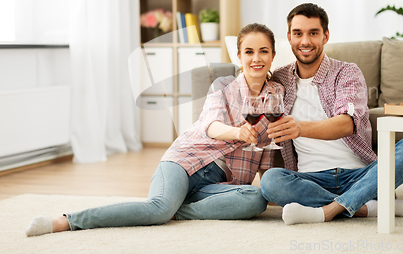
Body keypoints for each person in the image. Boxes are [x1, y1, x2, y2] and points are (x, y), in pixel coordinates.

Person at [25, 23, 284, 236]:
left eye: (263, 51)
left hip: (222, 182)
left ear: (273, 55)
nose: (256, 58)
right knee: (158, 209)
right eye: (249, 52)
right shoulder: (223, 85)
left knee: (256, 199)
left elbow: (268, 150)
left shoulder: (277, 95)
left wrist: (276, 188)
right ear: (239, 56)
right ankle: (68, 220)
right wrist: (238, 133)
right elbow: (210, 125)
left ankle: (177, 209)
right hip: (185, 161)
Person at [259, 3, 403, 225]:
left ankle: (327, 211)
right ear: (289, 37)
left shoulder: (346, 72)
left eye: (313, 33)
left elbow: (347, 124)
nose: (305, 41)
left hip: (359, 175)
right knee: (271, 181)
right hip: (312, 179)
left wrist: (300, 128)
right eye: (298, 34)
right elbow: (251, 88)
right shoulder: (281, 79)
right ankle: (366, 207)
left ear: (326, 36)